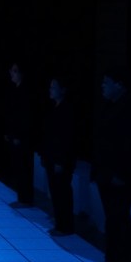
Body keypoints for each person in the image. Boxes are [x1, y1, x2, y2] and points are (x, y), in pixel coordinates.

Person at [92, 65, 131, 262]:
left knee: (120, 215)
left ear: (119, 85)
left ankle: (124, 260)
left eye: (106, 83)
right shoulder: (109, 106)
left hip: (121, 173)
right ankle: (112, 256)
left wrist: (122, 173)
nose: (102, 86)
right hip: (106, 170)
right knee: (111, 215)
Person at [39, 74, 77, 236]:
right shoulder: (55, 108)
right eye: (50, 87)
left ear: (63, 90)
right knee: (56, 191)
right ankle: (60, 222)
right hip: (52, 158)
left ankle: (65, 226)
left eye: (54, 87)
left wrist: (60, 161)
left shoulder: (67, 110)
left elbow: (67, 138)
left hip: (60, 160)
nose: (50, 90)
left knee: (62, 192)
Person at [4, 60, 36, 208]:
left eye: (15, 71)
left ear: (22, 73)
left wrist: (18, 136)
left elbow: (26, 118)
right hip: (15, 136)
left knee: (24, 168)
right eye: (12, 70)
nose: (11, 73)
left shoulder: (25, 92)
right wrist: (9, 133)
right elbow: (12, 115)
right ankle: (23, 197)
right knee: (19, 168)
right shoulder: (16, 90)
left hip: (22, 138)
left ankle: (26, 199)